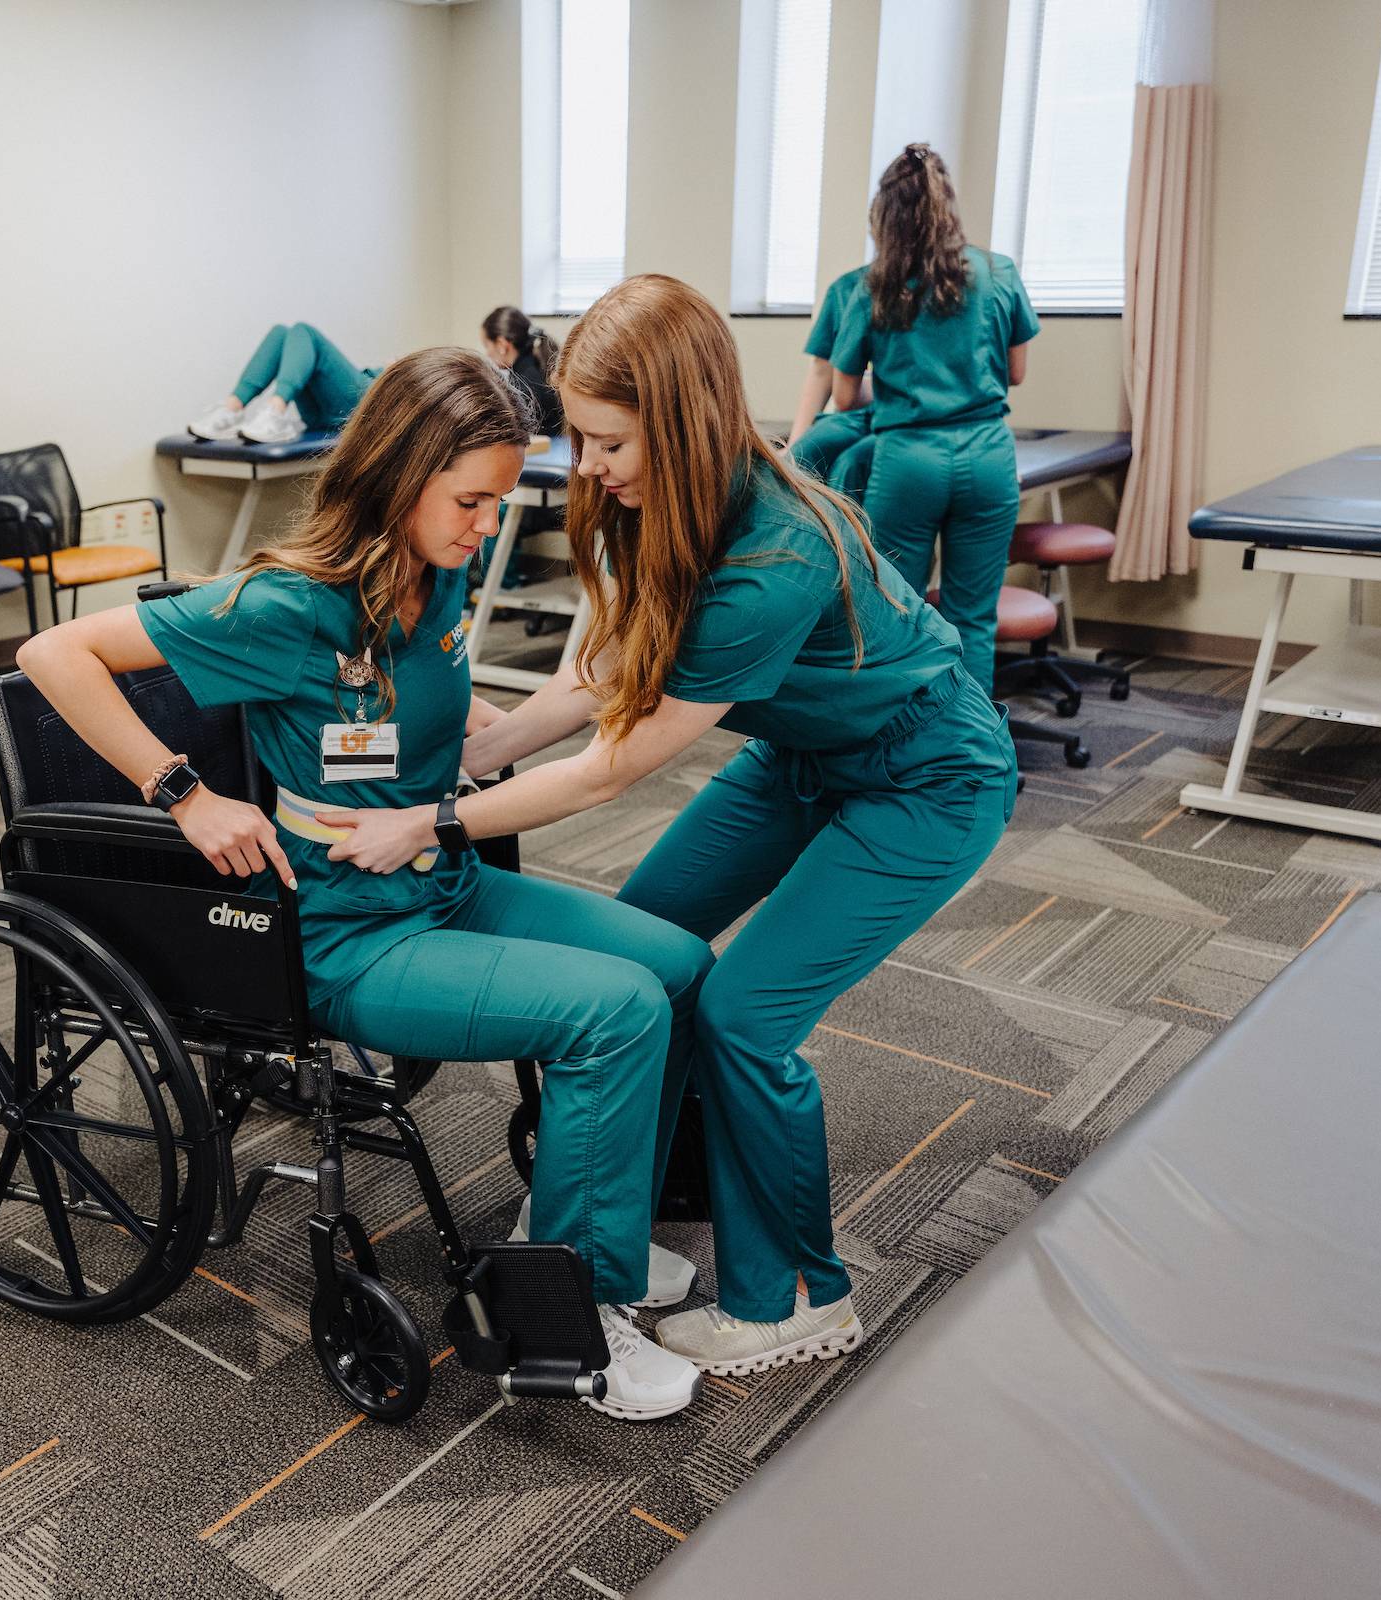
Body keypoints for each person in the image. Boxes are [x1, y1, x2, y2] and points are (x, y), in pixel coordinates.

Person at [316, 276, 1016, 1378]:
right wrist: (487, 748)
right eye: (580, 437)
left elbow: (613, 769)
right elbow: (607, 668)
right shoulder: (655, 498)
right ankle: (626, 1213)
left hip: (927, 778)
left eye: (605, 441)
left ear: (681, 424)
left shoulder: (770, 563)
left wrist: (437, 820)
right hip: (805, 753)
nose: (585, 465)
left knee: (744, 1013)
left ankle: (795, 1294)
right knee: (646, 950)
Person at [26, 347, 715, 1421]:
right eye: (472, 501)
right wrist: (185, 793)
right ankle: (570, 1317)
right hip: (344, 937)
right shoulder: (284, 606)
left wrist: (497, 725)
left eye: (496, 502)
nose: (486, 528)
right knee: (616, 1014)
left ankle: (582, 1224)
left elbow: (426, 715)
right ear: (402, 471)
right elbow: (52, 652)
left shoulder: (433, 571)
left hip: (441, 884)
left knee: (675, 966)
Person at [828, 144, 1039, 689]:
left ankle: (900, 754)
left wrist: (903, 379)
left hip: (908, 464)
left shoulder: (872, 285)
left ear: (885, 214)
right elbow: (1015, 372)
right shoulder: (998, 272)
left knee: (896, 614)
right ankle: (977, 760)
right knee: (974, 617)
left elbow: (845, 395)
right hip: (988, 457)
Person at [187, 322, 382, 446]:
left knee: (304, 331)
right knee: (281, 333)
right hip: (321, 417)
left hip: (367, 406)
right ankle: (232, 409)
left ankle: (276, 410)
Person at [785, 265, 874, 491]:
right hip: (853, 417)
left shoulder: (944, 288)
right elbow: (822, 370)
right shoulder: (847, 287)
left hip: (900, 421)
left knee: (849, 467)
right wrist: (794, 444)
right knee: (797, 460)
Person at [480, 305, 563, 436]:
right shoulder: (537, 366)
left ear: (502, 344)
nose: (487, 353)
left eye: (487, 346)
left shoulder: (521, 384)